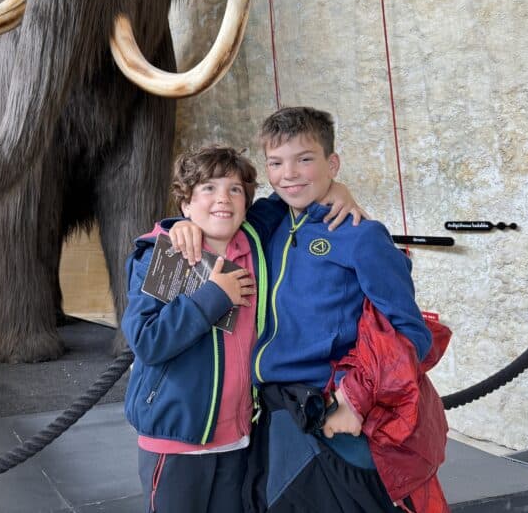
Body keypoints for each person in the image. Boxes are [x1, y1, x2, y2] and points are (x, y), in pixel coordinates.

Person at [169, 107, 442, 512]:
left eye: (305, 159)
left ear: (332, 163)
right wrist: (179, 225)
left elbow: (411, 333)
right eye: (277, 163)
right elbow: (217, 216)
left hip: (332, 415)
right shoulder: (267, 221)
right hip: (271, 414)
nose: (290, 173)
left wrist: (354, 397)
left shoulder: (362, 237)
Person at [122, 144, 365, 513]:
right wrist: (213, 296)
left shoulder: (253, 237)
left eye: (235, 189)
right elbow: (147, 340)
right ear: (185, 203)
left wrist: (337, 189)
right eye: (208, 188)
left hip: (238, 437)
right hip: (178, 438)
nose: (223, 198)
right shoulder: (167, 254)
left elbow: (293, 194)